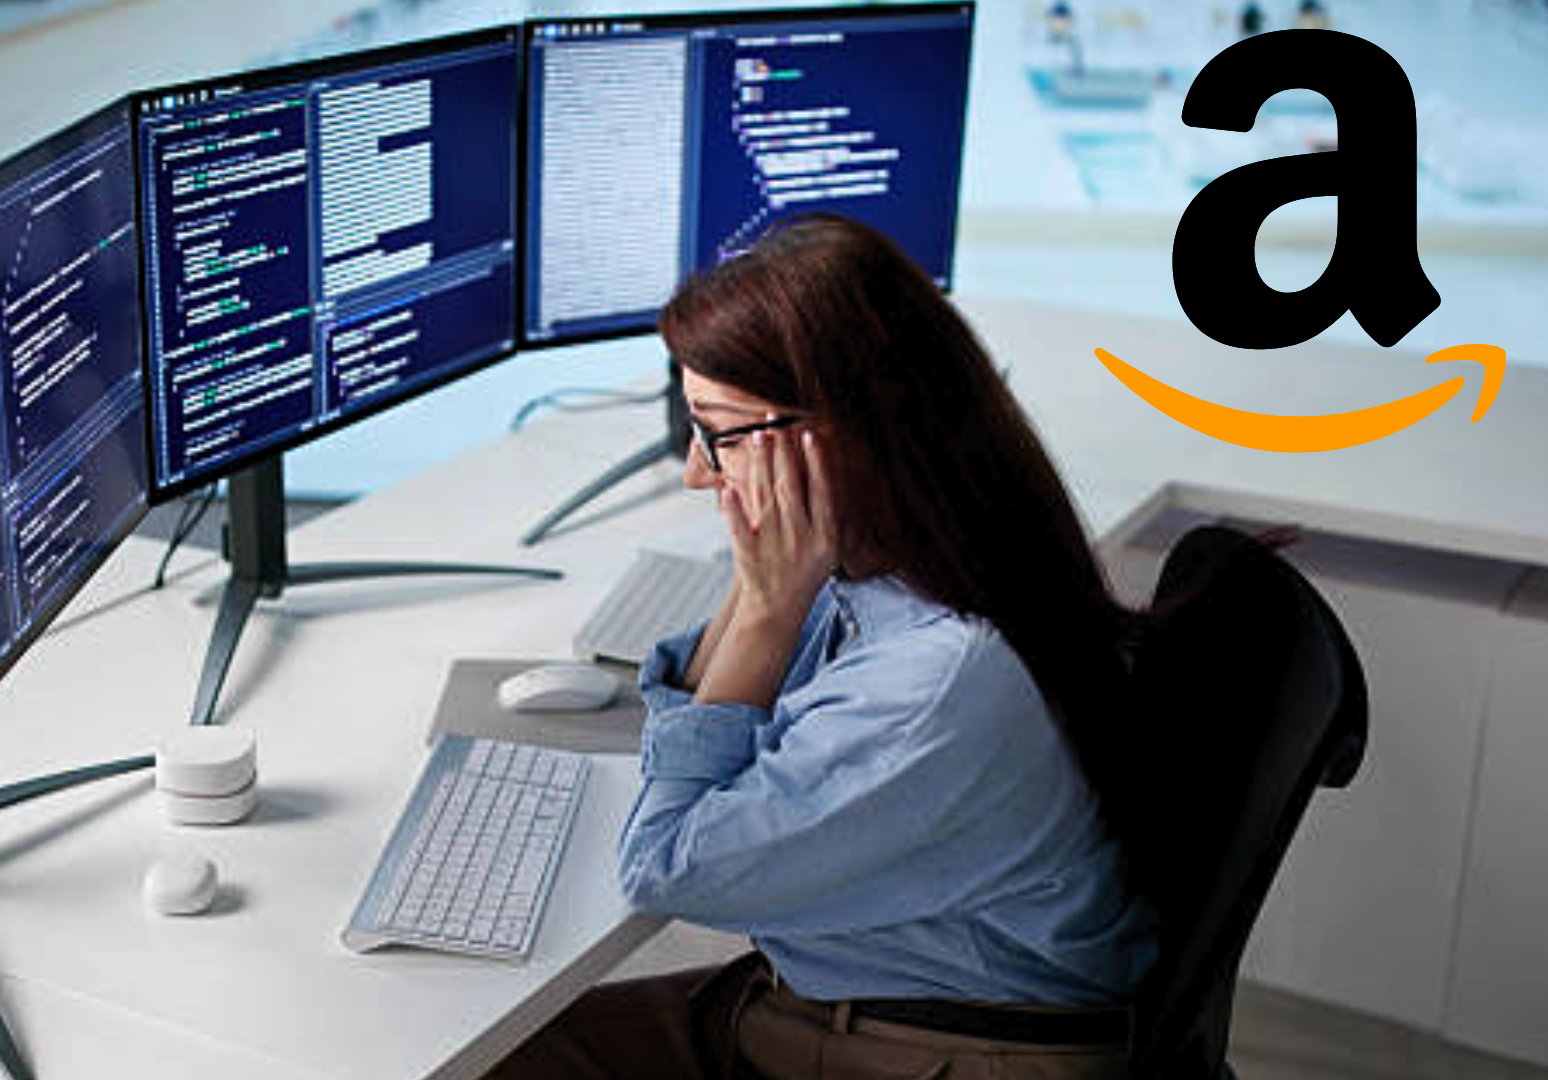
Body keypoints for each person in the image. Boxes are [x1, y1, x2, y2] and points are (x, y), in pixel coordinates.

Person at [489, 214, 1157, 1080]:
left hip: (942, 1050)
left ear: (840, 433)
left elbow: (664, 867)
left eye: (717, 434)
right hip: (890, 993)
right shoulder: (924, 549)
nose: (697, 473)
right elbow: (708, 707)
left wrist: (767, 606)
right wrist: (761, 571)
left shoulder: (935, 679)